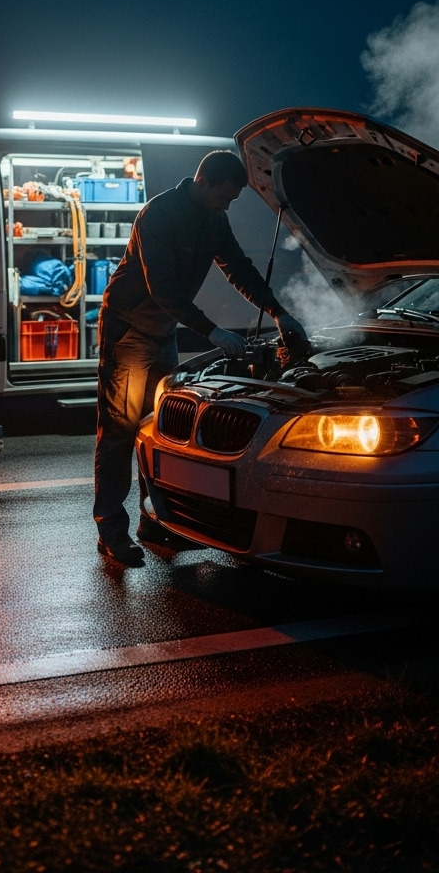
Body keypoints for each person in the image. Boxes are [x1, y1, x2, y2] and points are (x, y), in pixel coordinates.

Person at [93, 149, 308, 565]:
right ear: (203, 182)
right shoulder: (158, 215)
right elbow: (163, 289)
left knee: (157, 428)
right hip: (128, 329)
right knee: (119, 430)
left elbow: (240, 269)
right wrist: (214, 331)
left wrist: (279, 313)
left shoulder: (214, 218)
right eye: (224, 197)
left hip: (162, 331)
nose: (226, 206)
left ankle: (151, 518)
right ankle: (110, 530)